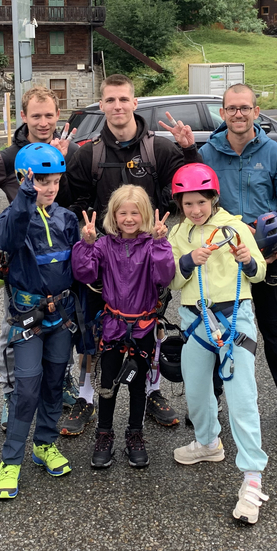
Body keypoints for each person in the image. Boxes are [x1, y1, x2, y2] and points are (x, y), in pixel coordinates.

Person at [64, 74, 201, 433]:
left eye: (123, 99)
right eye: (110, 100)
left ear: (135, 103)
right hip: (104, 261)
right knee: (92, 332)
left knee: (150, 329)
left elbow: (190, 189)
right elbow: (72, 201)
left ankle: (152, 391)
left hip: (148, 262)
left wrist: (189, 151)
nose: (118, 106)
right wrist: (89, 239)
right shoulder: (88, 153)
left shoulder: (160, 150)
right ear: (102, 105)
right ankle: (86, 396)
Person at [0, 86, 81, 432]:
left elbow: (72, 196)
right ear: (24, 116)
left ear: (57, 116)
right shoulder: (9, 156)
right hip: (22, 257)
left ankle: (62, 381)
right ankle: (11, 393)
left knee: (64, 320)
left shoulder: (69, 150)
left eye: (49, 115)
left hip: (58, 251)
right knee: (16, 325)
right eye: (36, 115)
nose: (43, 122)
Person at [198, 84, 277, 432]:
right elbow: (197, 207)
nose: (238, 114)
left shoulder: (276, 155)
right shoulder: (206, 154)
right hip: (223, 261)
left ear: (256, 112)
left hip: (264, 258)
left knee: (274, 328)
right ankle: (212, 398)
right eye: (232, 108)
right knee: (217, 330)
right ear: (222, 113)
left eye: (244, 108)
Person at [167, 163, 269, 525]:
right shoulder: (178, 233)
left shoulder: (235, 228)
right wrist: (187, 262)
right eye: (188, 203)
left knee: (242, 399)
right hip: (195, 321)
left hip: (233, 318)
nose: (195, 210)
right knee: (196, 392)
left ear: (214, 198)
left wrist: (248, 261)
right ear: (179, 204)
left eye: (201, 202)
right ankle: (208, 442)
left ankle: (252, 477)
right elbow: (172, 282)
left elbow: (261, 272)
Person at [0, 143, 82, 499]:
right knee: (26, 389)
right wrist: (25, 198)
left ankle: (45, 444)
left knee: (55, 383)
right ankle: (10, 460)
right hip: (28, 319)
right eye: (42, 181)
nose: (50, 187)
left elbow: (78, 268)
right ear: (24, 179)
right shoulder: (13, 217)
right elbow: (4, 239)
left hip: (61, 317)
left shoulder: (67, 219)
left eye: (55, 181)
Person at [71, 185, 176, 469]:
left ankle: (135, 434)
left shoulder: (152, 245)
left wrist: (161, 244)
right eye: (123, 213)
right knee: (108, 384)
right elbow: (84, 273)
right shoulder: (104, 245)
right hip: (113, 326)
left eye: (135, 213)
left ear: (145, 215)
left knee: (139, 384)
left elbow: (165, 276)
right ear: (113, 216)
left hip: (143, 326)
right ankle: (104, 434)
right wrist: (87, 244)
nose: (129, 219)